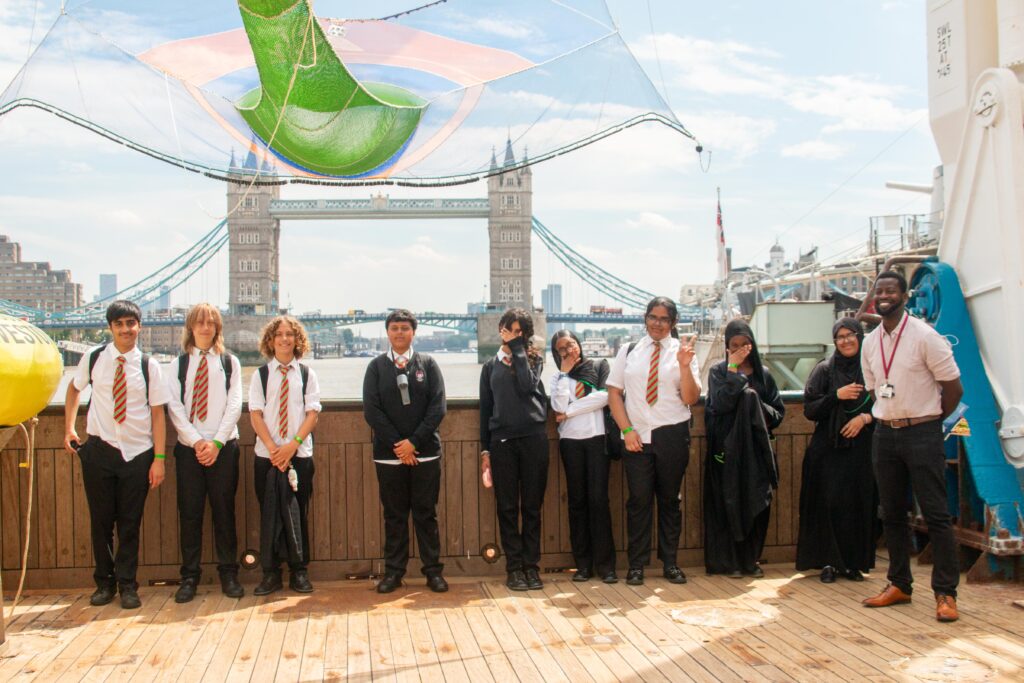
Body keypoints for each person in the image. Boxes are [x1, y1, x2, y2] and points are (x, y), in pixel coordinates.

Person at [860, 270, 963, 622]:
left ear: (904, 296)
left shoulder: (925, 336)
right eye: (880, 290)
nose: (884, 295)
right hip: (885, 433)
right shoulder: (871, 341)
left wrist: (930, 421)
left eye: (891, 290)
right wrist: (892, 415)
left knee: (935, 515)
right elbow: (874, 389)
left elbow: (953, 389)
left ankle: (946, 593)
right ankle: (899, 583)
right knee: (891, 513)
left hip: (923, 431)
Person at [63, 299, 169, 609]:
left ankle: (128, 585)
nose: (125, 329)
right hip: (98, 450)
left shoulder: (150, 366)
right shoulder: (94, 358)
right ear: (110, 328)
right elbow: (73, 389)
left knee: (129, 524)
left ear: (139, 327)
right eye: (119, 324)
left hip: (137, 454)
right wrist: (69, 428)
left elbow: (158, 415)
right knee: (100, 523)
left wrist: (159, 460)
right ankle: (104, 584)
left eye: (130, 323)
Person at [607, 296, 700, 586]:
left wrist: (684, 366)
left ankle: (670, 563)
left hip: (672, 431)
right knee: (638, 501)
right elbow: (614, 394)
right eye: (652, 317)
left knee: (671, 500)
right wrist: (626, 430)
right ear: (645, 318)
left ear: (673, 323)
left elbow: (691, 398)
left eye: (664, 319)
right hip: (637, 435)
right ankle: (637, 565)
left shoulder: (683, 352)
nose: (657, 324)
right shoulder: (629, 350)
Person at [363, 309, 448, 594]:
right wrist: (400, 446)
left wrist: (414, 442)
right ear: (387, 332)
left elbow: (438, 408)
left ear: (414, 332)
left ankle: (433, 572)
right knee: (395, 515)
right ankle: (394, 573)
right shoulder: (376, 367)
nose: (399, 333)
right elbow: (372, 411)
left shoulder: (429, 364)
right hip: (388, 456)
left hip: (425, 453)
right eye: (394, 328)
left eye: (404, 328)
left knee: (426, 514)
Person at [165, 303, 244, 602]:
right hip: (189, 451)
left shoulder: (229, 363)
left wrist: (217, 443)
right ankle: (190, 577)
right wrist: (198, 442)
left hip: (224, 449)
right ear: (191, 327)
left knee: (225, 513)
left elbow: (235, 404)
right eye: (200, 322)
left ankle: (229, 574)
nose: (206, 327)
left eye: (211, 322)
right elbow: (174, 407)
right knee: (190, 514)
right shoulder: (178, 365)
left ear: (218, 328)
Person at [796, 318, 877, 583]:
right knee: (828, 503)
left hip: (861, 448)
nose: (845, 341)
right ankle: (828, 562)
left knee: (857, 503)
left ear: (859, 336)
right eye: (839, 337)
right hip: (828, 449)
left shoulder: (872, 368)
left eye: (850, 335)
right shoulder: (824, 370)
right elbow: (810, 409)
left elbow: (888, 402)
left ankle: (853, 563)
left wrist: (864, 419)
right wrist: (836, 396)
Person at [704, 319, 785, 578]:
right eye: (733, 345)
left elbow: (778, 413)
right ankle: (730, 562)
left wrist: (754, 404)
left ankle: (751, 559)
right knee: (727, 504)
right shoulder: (718, 373)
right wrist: (734, 372)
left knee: (757, 503)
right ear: (727, 348)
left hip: (757, 452)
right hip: (726, 452)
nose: (739, 349)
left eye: (744, 344)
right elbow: (720, 404)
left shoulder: (765, 375)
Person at [248, 315, 322, 596]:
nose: (284, 338)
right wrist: (273, 448)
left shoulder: (307, 374)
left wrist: (293, 445)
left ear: (297, 339)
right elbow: (255, 414)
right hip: (266, 456)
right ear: (270, 340)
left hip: (299, 455)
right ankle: (270, 573)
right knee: (270, 515)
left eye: (290, 334)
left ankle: (299, 571)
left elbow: (313, 413)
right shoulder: (260, 375)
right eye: (278, 334)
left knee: (297, 513)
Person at [479, 308, 549, 591]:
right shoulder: (489, 367)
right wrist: (485, 451)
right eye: (510, 330)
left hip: (534, 439)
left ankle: (532, 567)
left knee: (532, 507)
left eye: (520, 332)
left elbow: (526, 385)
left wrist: (519, 349)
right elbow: (485, 410)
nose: (514, 336)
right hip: (502, 443)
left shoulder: (534, 359)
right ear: (500, 329)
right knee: (507, 508)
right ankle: (514, 568)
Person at [549, 330, 617, 583]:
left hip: (597, 439)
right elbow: (557, 406)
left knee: (599, 501)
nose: (568, 351)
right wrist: (564, 373)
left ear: (579, 345)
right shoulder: (558, 376)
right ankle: (583, 565)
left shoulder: (600, 366)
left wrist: (570, 412)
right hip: (570, 442)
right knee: (577, 503)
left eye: (571, 345)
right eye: (561, 349)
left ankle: (606, 565)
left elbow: (604, 397)